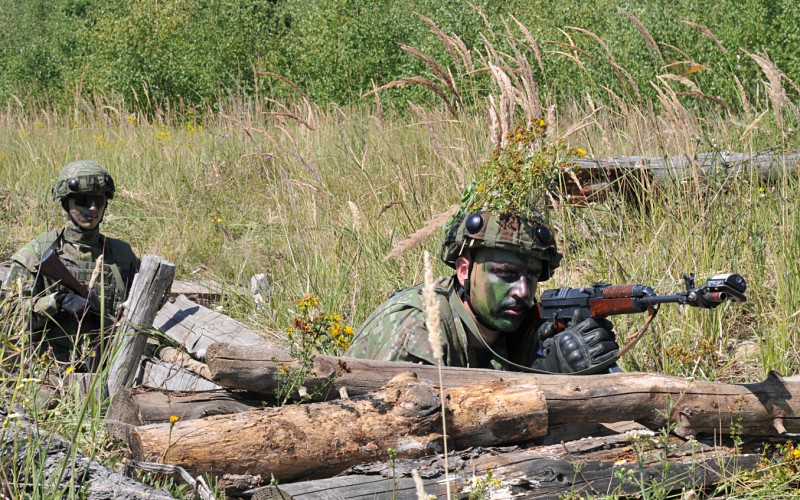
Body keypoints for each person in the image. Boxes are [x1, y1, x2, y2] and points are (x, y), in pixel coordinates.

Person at [345, 210, 620, 374]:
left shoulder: (517, 330)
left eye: (532, 277)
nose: (523, 291)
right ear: (464, 271)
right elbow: (410, 434)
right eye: (505, 274)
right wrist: (544, 375)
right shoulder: (419, 331)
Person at [1, 161, 140, 371]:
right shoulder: (37, 253)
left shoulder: (120, 255)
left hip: (109, 368)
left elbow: (145, 309)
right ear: (66, 203)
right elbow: (8, 319)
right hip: (48, 372)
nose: (92, 208)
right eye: (84, 201)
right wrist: (57, 301)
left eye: (99, 201)